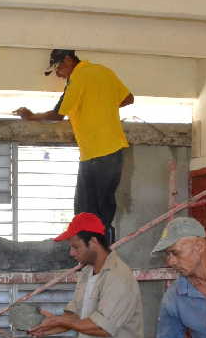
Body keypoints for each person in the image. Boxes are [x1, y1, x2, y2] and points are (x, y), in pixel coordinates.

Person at [13, 49, 134, 243]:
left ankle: (94, 253)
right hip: (112, 151)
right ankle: (100, 250)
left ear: (69, 59)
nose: (59, 74)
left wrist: (30, 116)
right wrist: (101, 104)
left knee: (85, 211)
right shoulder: (104, 71)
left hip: (96, 154)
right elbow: (128, 98)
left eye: (59, 68)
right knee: (103, 210)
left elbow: (58, 114)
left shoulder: (77, 77)